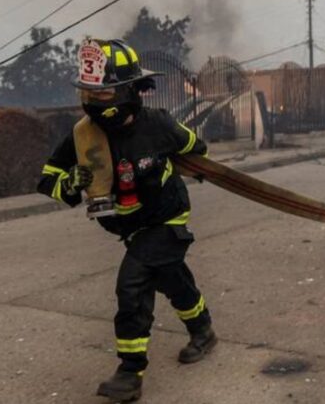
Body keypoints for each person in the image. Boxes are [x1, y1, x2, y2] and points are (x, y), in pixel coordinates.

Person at [37, 38, 216, 402]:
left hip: (167, 218)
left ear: (129, 91)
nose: (94, 102)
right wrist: (70, 182)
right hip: (130, 227)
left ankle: (130, 372)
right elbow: (47, 180)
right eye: (89, 93)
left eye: (103, 94)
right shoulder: (84, 135)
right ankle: (203, 329)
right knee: (172, 279)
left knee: (132, 284)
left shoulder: (159, 125)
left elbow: (195, 148)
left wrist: (181, 161)